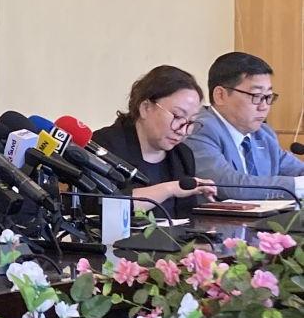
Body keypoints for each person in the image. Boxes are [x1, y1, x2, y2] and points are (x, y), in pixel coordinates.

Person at [92, 66, 217, 218]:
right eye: (177, 116)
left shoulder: (183, 155)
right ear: (145, 108)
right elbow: (101, 206)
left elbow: (186, 219)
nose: (183, 131)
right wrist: (170, 189)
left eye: (191, 121)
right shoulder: (104, 145)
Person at [186, 52, 304, 200]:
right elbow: (227, 186)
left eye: (268, 97)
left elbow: (297, 170)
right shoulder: (199, 129)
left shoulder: (264, 134)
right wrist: (297, 186)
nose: (264, 107)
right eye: (256, 96)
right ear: (220, 95)